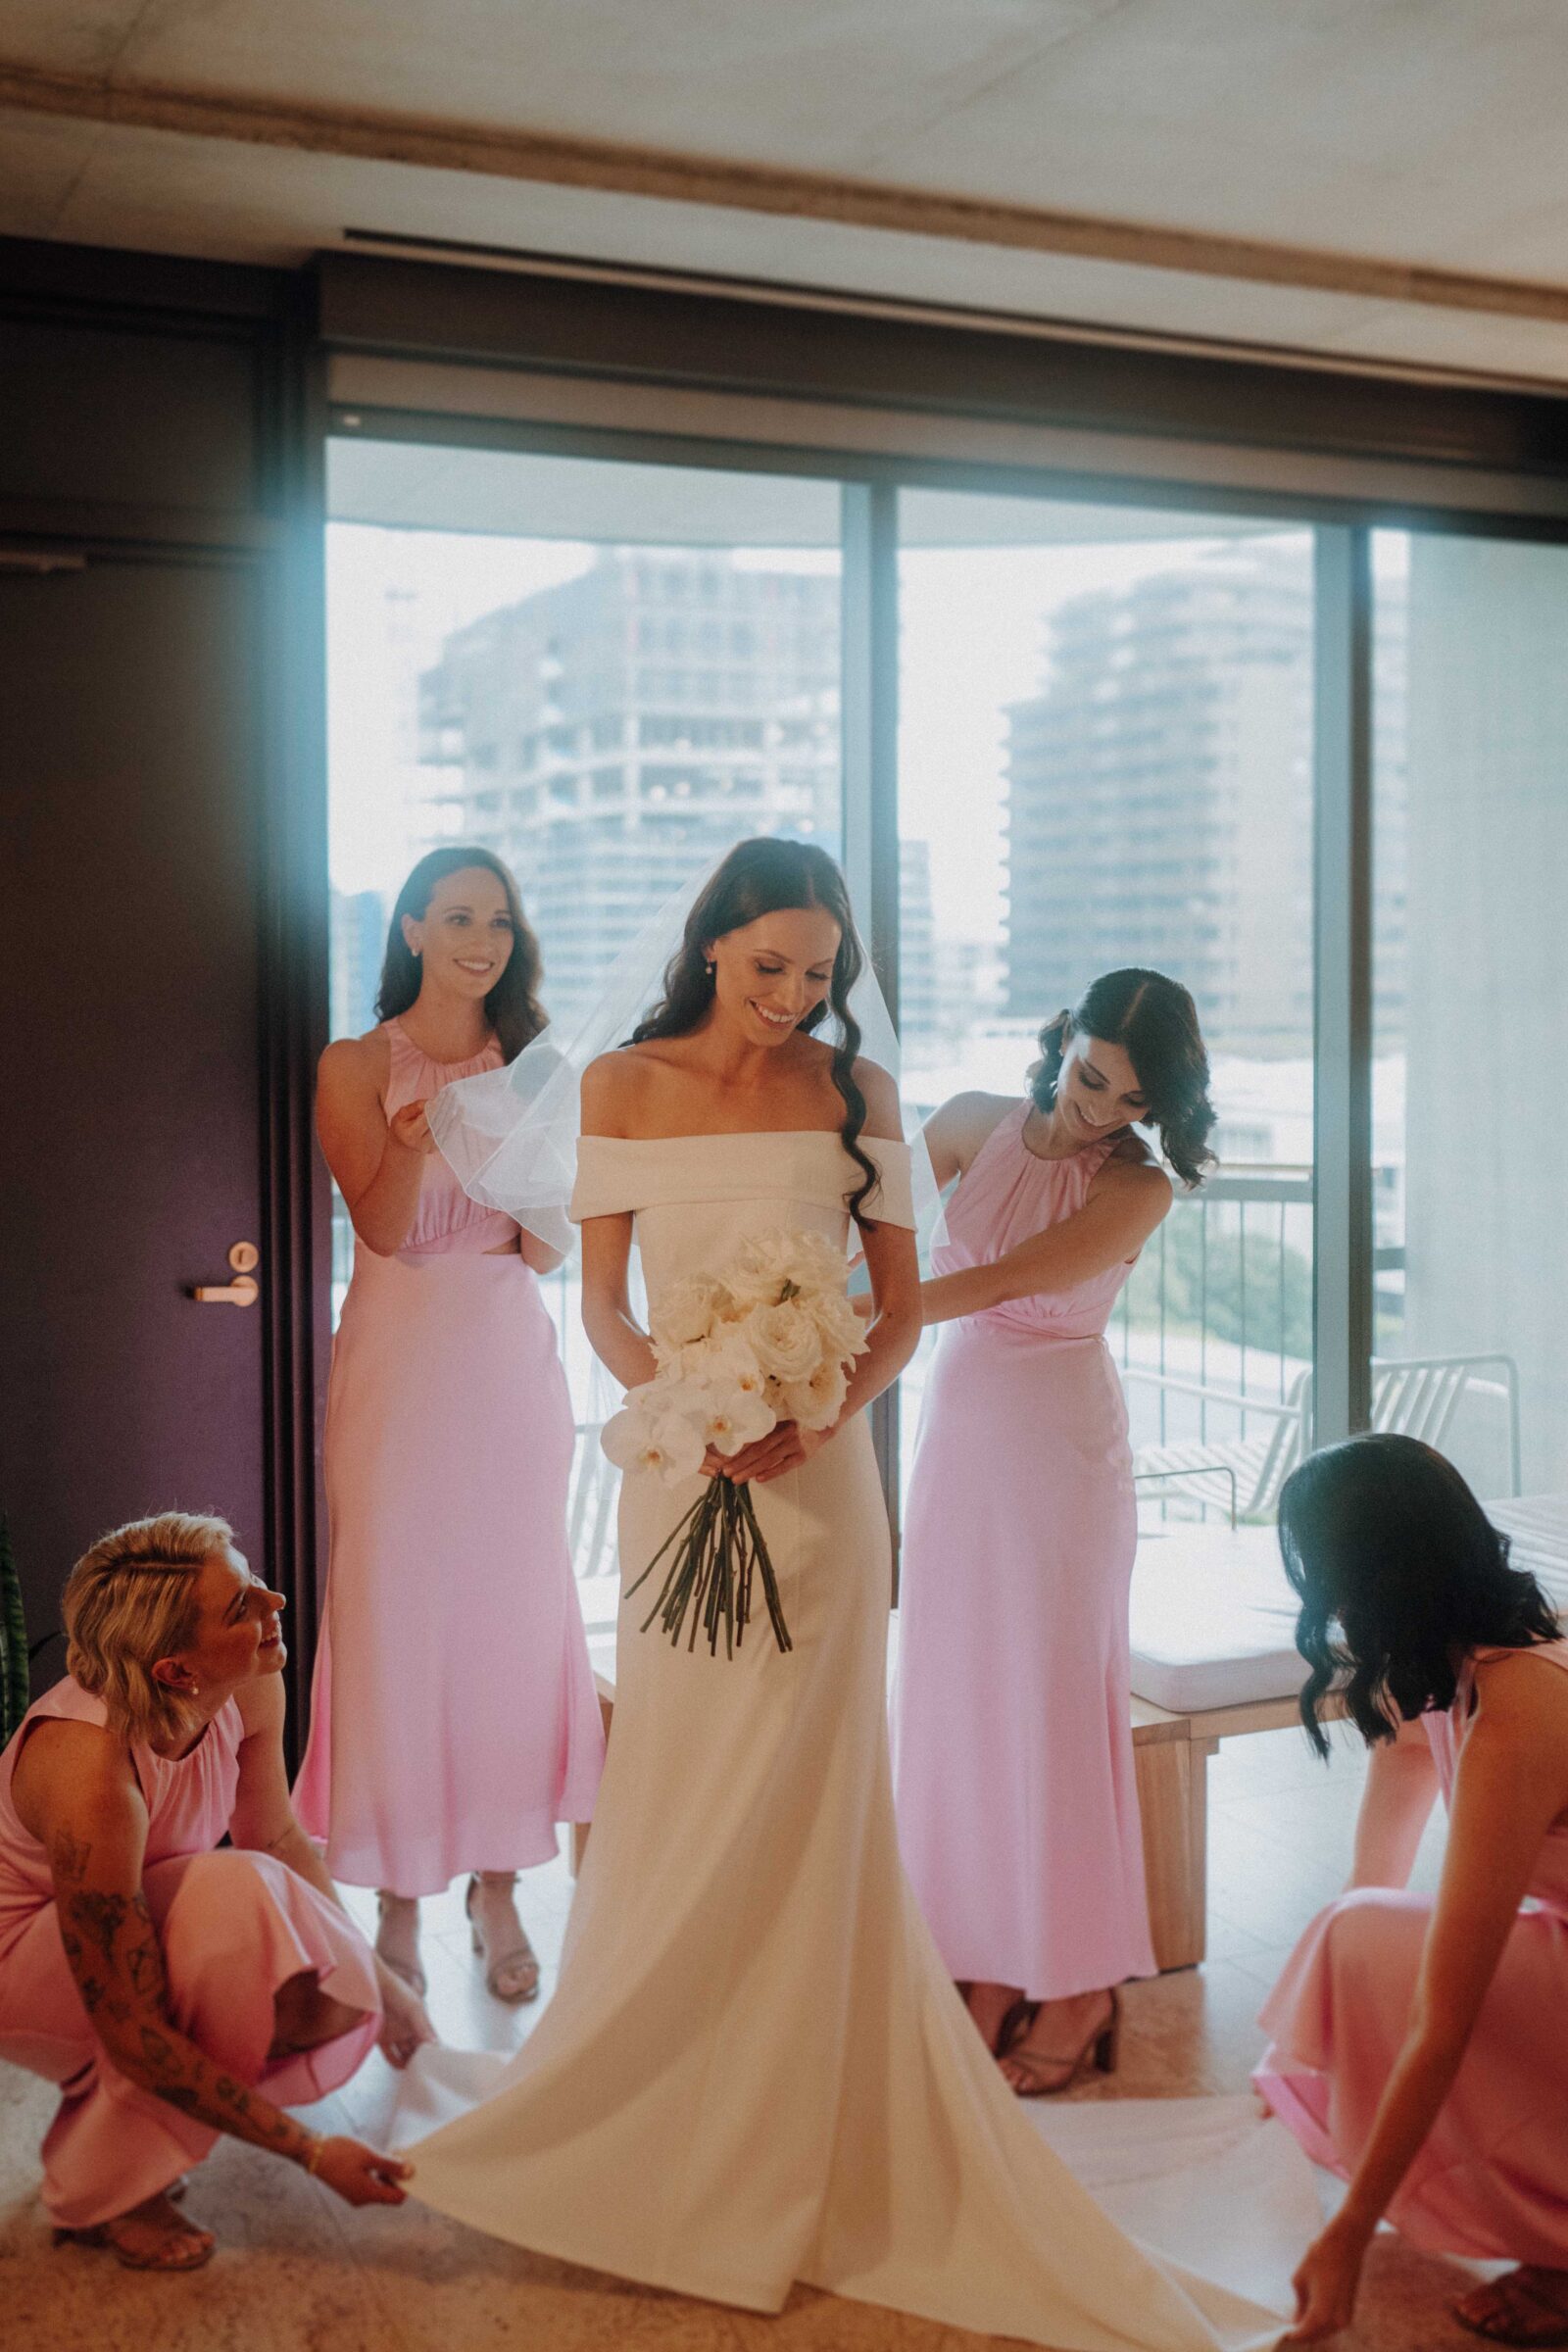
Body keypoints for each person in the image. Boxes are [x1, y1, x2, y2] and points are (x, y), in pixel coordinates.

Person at [392, 840, 1281, 2352]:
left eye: (818, 974)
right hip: (688, 1471)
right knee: (684, 1780)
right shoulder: (615, 1086)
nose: (796, 998)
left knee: (812, 1791)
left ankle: (813, 2105)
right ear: (713, 946)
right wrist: (689, 1406)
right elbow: (601, 1302)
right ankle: (658, 2083)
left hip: (823, 1489)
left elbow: (894, 1316)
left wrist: (812, 1413)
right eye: (768, 969)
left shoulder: (861, 1095)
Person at [894, 971, 1214, 2094]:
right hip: (956, 1447)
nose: (1097, 1111)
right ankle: (980, 1960)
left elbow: (1007, 1280)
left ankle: (1079, 1984)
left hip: (1058, 1465)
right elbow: (856, 1210)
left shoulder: (1140, 1188)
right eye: (1089, 1077)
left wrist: (874, 1309)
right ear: (1061, 1040)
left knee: (1048, 1709)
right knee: (953, 1700)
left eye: (1128, 1100)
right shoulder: (969, 1121)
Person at [294, 848, 604, 2006]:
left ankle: (499, 1888)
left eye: (501, 919)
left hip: (502, 1361)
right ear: (414, 927)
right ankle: (395, 1900)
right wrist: (422, 1136)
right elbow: (376, 1225)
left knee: (509, 1623)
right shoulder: (351, 1063)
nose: (484, 937)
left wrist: (515, 1151)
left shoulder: (536, 1067)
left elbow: (545, 1243)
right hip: (395, 1361)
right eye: (460, 915)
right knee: (395, 1619)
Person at [0, 1513, 423, 2272]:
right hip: (15, 1956)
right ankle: (106, 2190)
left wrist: (387, 1986)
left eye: (253, 1579)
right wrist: (311, 2151)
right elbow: (130, 2023)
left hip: (118, 1911)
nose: (277, 1604)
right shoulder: (88, 1770)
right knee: (233, 1906)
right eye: (244, 1607)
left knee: (321, 1979)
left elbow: (279, 1837)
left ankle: (135, 2139)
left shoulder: (248, 1685)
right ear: (176, 1672)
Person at [1255, 1434, 1568, 2347]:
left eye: (1328, 1578)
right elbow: (1371, 1886)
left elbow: (1447, 2014)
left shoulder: (1523, 1705)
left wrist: (1350, 2231)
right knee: (1354, 1932)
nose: (1328, 1607)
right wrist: (1334, 2028)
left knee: (1401, 1966)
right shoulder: (1450, 1672)